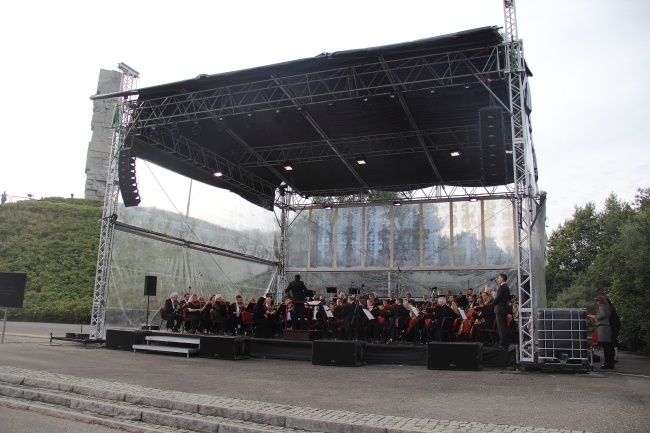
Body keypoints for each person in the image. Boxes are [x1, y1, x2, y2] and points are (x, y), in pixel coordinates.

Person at [589, 295, 615, 369]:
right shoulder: (608, 307)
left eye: (597, 301)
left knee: (606, 346)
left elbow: (602, 315)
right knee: (608, 346)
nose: (596, 302)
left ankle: (607, 363)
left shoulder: (601, 307)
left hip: (603, 327)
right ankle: (609, 362)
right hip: (607, 326)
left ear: (600, 301)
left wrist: (595, 317)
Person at [494, 273, 511, 350]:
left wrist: (490, 304)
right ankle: (505, 343)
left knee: (501, 328)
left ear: (502, 278)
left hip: (500, 309)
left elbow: (498, 298)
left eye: (499, 278)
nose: (498, 279)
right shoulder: (506, 287)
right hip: (503, 309)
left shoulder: (502, 287)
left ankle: (502, 344)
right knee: (503, 327)